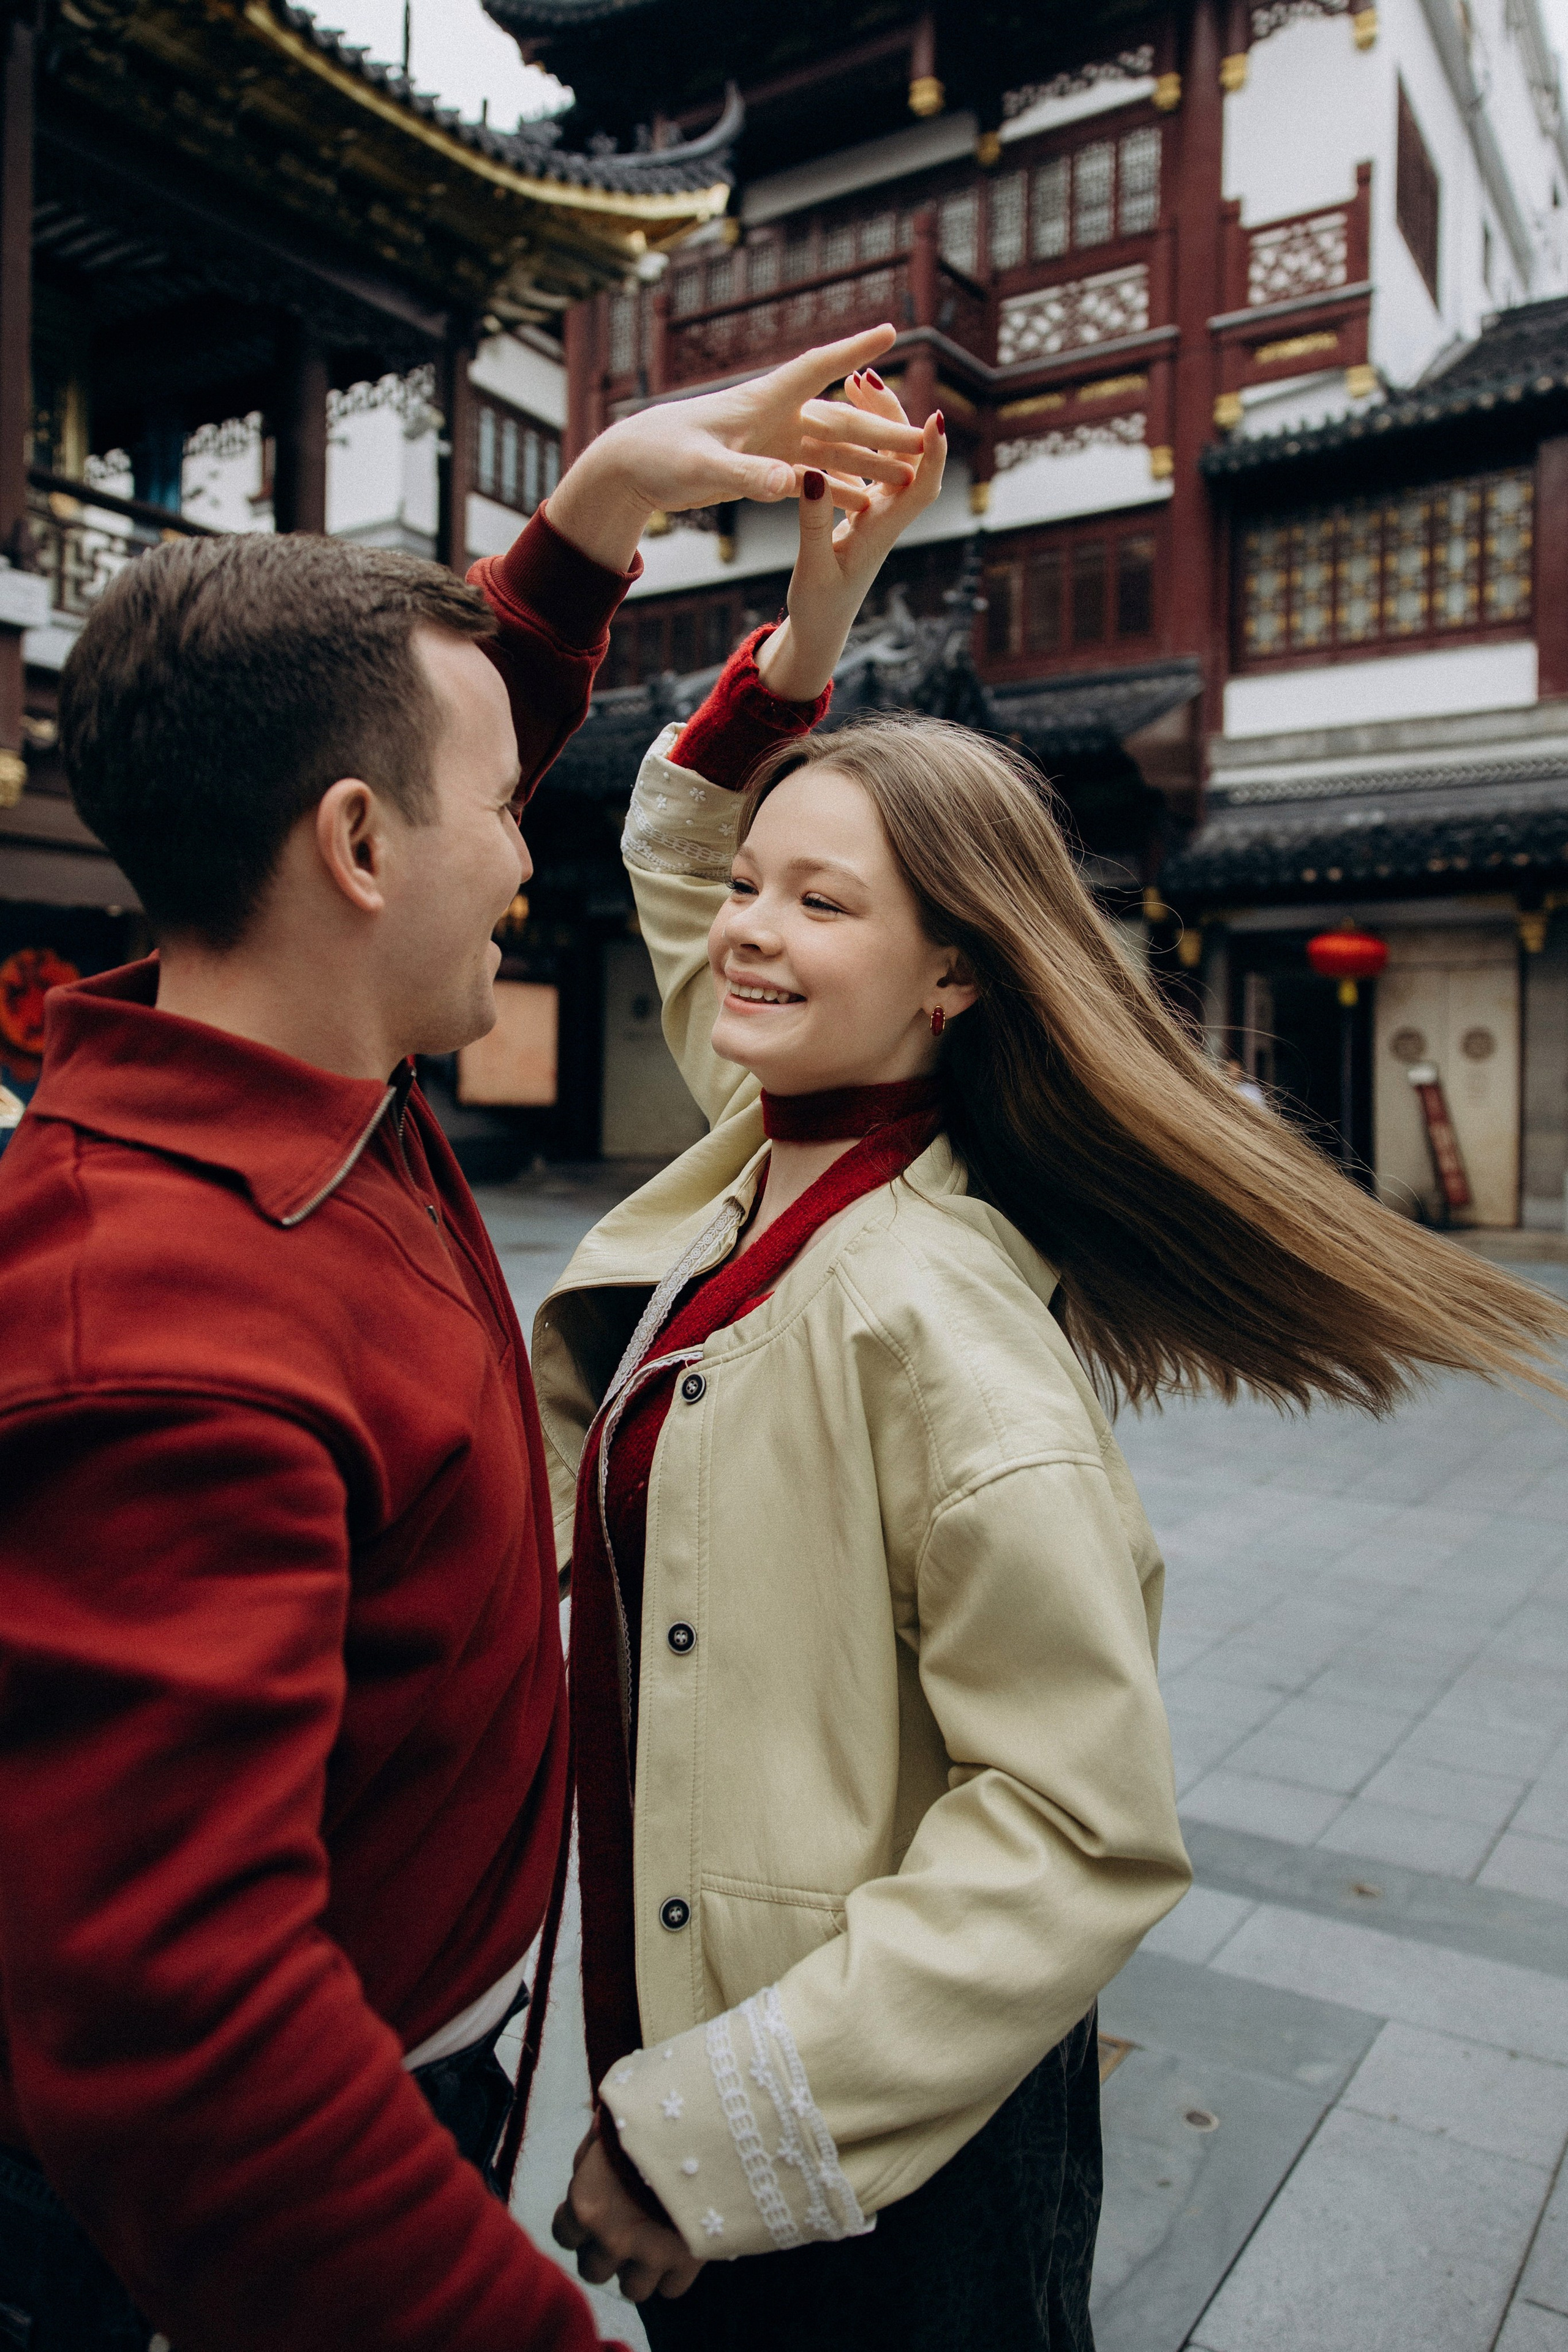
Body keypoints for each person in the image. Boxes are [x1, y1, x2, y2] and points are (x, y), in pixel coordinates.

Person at [540, 375, 1568, 2346]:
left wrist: (707, 2138)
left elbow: (1082, 1824)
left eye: (819, 902)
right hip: (726, 2060)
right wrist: (818, 622)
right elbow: (679, 843)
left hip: (870, 2155)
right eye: (755, 892)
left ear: (953, 972)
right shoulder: (772, 1145)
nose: (746, 931)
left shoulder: (932, 1314)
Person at [0, 327, 925, 2352]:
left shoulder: (302, 1062)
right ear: (355, 852)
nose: (527, 849)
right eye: (507, 810)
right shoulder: (160, 1326)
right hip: (294, 2171)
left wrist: (607, 497)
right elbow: (190, 2038)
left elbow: (422, 734)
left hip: (447, 2004)